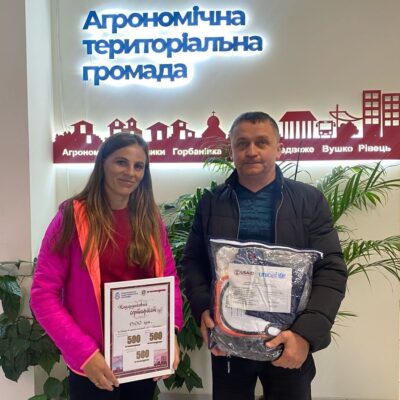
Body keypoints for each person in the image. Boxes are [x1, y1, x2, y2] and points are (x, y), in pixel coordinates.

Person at [182, 112, 348, 400]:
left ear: (278, 148)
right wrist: (203, 309)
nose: (251, 151)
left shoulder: (309, 201)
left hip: (288, 337)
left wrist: (305, 335)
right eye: (242, 143)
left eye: (262, 142)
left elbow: (331, 270)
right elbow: (193, 262)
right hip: (229, 337)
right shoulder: (211, 202)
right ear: (231, 150)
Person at [31, 132, 183, 400]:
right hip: (94, 362)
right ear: (102, 163)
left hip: (141, 356)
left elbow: (168, 279)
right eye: (121, 162)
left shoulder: (149, 218)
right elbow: (43, 295)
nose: (131, 173)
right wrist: (84, 353)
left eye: (139, 166)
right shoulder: (71, 216)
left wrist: (169, 333)